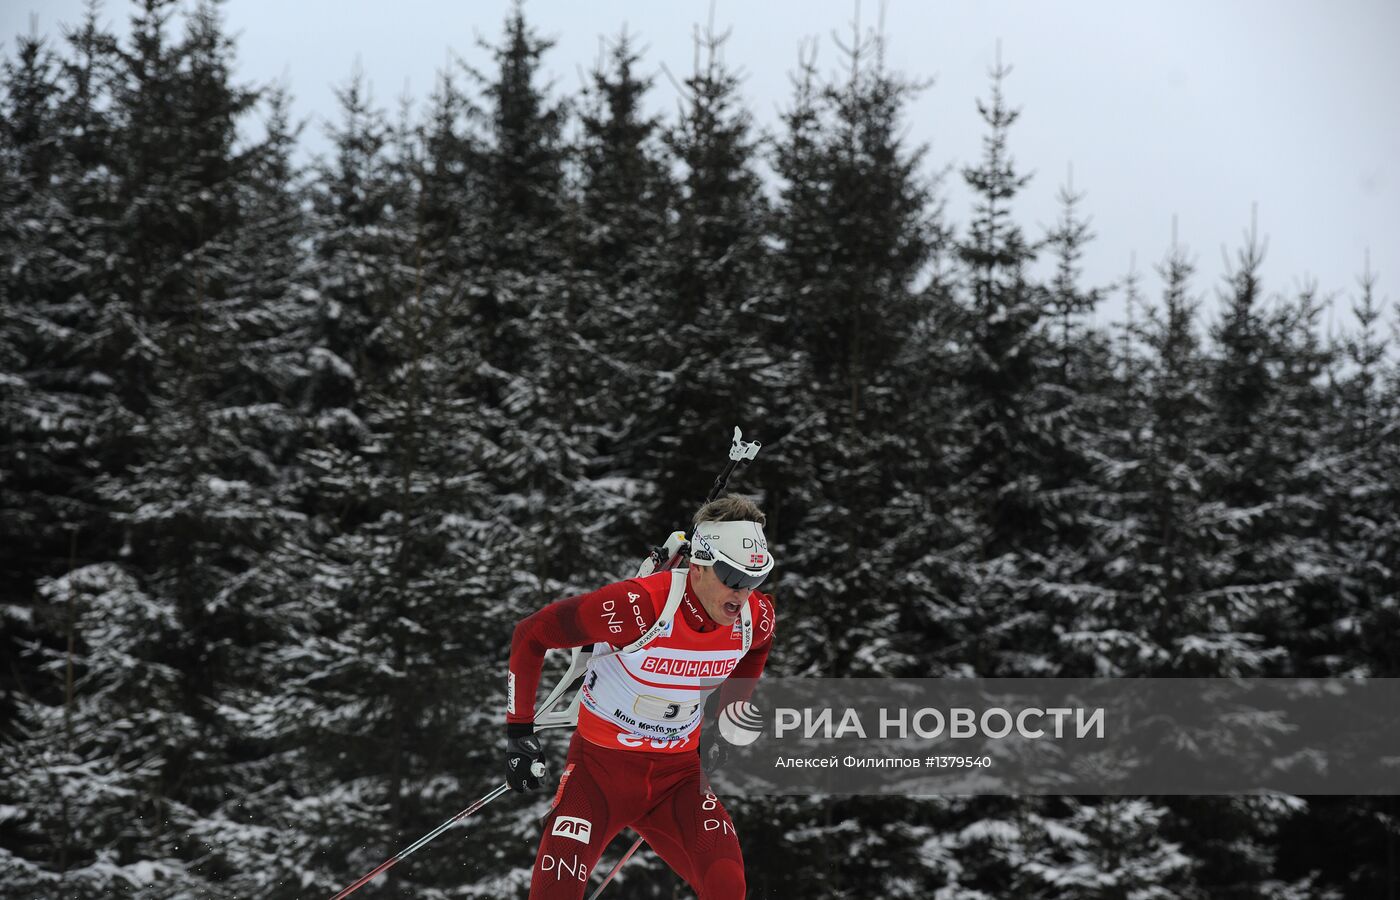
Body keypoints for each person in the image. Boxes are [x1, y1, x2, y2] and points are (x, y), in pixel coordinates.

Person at [505, 494, 777, 899]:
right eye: (733, 577)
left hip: (679, 779)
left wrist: (722, 724)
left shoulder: (756, 618)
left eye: (754, 580)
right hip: (599, 774)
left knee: (728, 887)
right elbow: (532, 634)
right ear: (698, 566)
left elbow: (755, 651)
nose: (743, 594)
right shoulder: (639, 607)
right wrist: (519, 731)